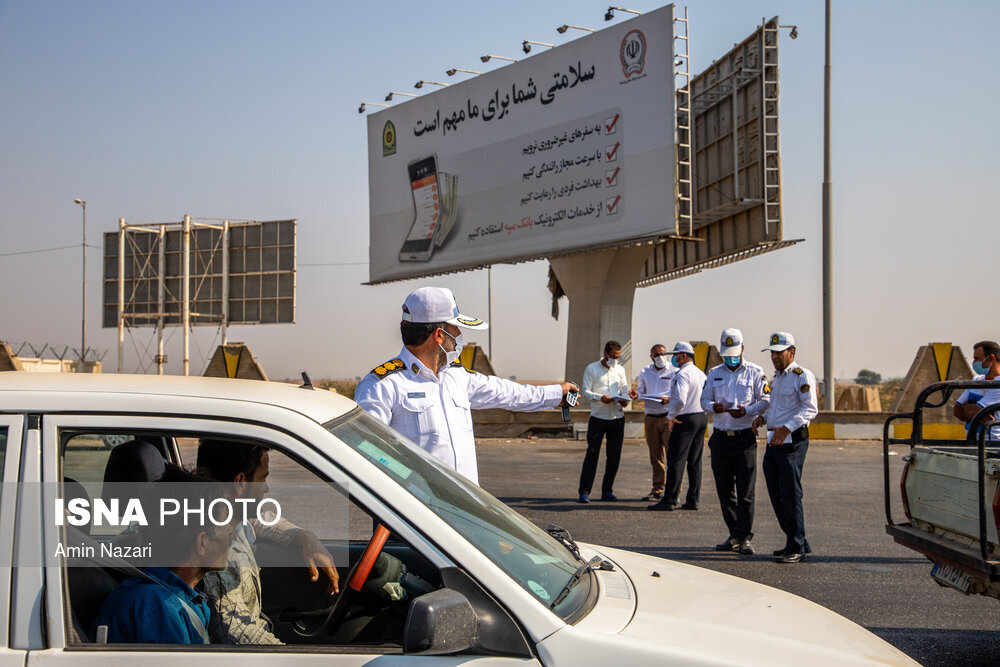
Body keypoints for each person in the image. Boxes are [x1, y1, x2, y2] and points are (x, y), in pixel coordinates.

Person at [355, 286, 576, 485]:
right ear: (439, 335)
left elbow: (508, 393)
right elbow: (365, 447)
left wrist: (558, 394)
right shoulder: (382, 384)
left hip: (464, 512)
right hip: (412, 519)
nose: (459, 336)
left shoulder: (457, 376)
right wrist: (412, 482)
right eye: (456, 329)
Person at [197, 439, 340, 645]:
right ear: (239, 482)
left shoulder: (234, 519)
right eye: (262, 478)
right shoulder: (216, 549)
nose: (266, 489)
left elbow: (262, 520)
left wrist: (305, 537)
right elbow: (235, 631)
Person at [92, 465, 233, 644]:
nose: (231, 534)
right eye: (224, 525)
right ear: (202, 542)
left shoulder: (179, 598)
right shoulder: (158, 609)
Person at [700, 329, 770, 555]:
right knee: (724, 491)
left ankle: (745, 537)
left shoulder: (755, 373)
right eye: (726, 354)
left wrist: (748, 411)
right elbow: (704, 399)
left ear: (742, 348)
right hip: (720, 438)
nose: (730, 357)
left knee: (745, 491)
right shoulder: (714, 373)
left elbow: (766, 399)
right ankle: (734, 534)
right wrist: (713, 407)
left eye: (734, 352)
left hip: (744, 440)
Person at [756, 332, 818, 563]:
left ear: (791, 352)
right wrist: (762, 419)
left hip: (792, 441)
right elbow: (777, 407)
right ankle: (796, 538)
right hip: (775, 440)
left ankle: (797, 546)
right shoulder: (779, 377)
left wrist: (786, 428)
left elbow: (810, 409)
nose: (774, 357)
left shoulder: (802, 376)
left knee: (791, 494)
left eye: (779, 352)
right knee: (776, 493)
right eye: (772, 353)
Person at [648, 342, 707, 511]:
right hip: (700, 416)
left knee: (675, 460)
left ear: (684, 356)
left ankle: (670, 499)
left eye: (676, 355)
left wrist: (671, 416)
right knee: (695, 461)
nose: (674, 358)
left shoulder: (682, 374)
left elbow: (680, 399)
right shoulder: (700, 373)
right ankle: (693, 499)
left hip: (685, 418)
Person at [578, 340, 631, 503]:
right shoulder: (592, 368)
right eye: (613, 356)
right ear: (605, 353)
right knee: (592, 454)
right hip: (598, 417)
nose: (615, 360)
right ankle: (584, 491)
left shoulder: (620, 370)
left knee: (614, 457)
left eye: (618, 357)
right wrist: (599, 397)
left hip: (617, 418)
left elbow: (624, 389)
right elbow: (585, 391)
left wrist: (625, 399)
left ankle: (607, 490)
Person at [629, 344, 674, 501]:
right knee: (655, 456)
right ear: (651, 357)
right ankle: (658, 488)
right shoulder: (645, 371)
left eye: (662, 354)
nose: (660, 357)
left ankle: (674, 490)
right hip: (651, 417)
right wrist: (636, 395)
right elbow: (641, 392)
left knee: (672, 455)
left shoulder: (674, 371)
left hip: (668, 416)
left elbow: (679, 393)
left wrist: (668, 399)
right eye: (657, 355)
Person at [953, 340, 1000, 440]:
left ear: (991, 358)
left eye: (977, 359)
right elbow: (957, 410)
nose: (974, 363)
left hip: (992, 446)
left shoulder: (998, 383)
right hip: (972, 445)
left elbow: (972, 411)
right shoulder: (976, 380)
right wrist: (976, 413)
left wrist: (966, 406)